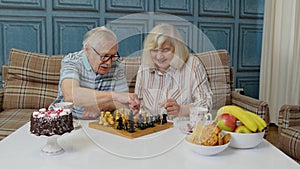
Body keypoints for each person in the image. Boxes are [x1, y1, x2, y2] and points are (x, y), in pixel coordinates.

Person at [50, 26, 140, 119]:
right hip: (65, 120)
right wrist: (113, 96)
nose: (109, 63)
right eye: (104, 56)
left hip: (96, 124)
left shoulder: (116, 66)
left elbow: (123, 103)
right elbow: (70, 95)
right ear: (87, 49)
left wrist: (101, 106)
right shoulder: (72, 61)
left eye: (113, 56)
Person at [135, 24, 212, 118]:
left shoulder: (193, 64)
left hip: (184, 129)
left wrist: (181, 110)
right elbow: (138, 106)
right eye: (154, 50)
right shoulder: (144, 68)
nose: (159, 57)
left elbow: (206, 104)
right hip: (152, 130)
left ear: (177, 49)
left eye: (165, 50)